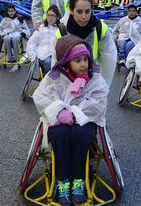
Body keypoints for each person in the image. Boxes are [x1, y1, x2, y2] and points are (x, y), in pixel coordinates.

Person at [33, 35, 108, 205]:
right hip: (59, 119)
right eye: (77, 60)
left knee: (80, 135)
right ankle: (63, 181)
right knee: (60, 135)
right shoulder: (54, 77)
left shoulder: (95, 78)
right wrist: (58, 112)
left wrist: (76, 115)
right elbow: (40, 96)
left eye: (85, 60)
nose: (83, 64)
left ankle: (79, 180)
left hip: (85, 119)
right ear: (67, 62)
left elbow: (99, 102)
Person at [54, 0, 117, 85]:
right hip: (68, 80)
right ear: (71, 10)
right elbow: (55, 64)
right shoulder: (62, 31)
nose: (84, 17)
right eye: (79, 12)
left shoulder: (100, 28)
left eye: (87, 11)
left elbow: (109, 59)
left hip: (92, 78)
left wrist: (103, 88)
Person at [26, 5, 60, 74]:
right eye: (48, 15)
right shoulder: (41, 28)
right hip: (42, 55)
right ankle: (48, 81)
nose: (50, 17)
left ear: (57, 17)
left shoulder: (59, 29)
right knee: (49, 62)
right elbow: (31, 43)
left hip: (55, 54)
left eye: (53, 15)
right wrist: (33, 56)